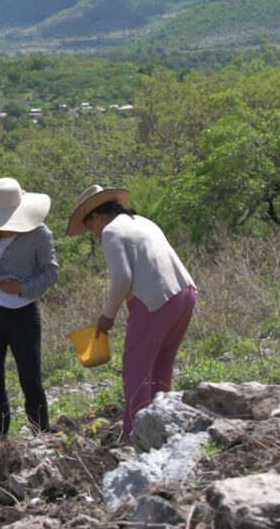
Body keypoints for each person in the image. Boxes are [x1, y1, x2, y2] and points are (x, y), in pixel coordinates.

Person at [66, 185, 196, 439]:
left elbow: (122, 278)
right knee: (161, 363)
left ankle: (134, 435)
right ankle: (163, 427)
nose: (92, 233)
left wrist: (107, 316)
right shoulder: (142, 222)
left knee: (136, 368)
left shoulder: (112, 231)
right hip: (184, 293)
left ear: (97, 217)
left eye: (89, 225)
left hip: (154, 300)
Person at [0, 177, 60, 440]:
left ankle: (41, 437)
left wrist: (22, 287)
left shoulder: (39, 234)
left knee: (31, 379)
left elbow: (51, 272)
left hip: (23, 314)